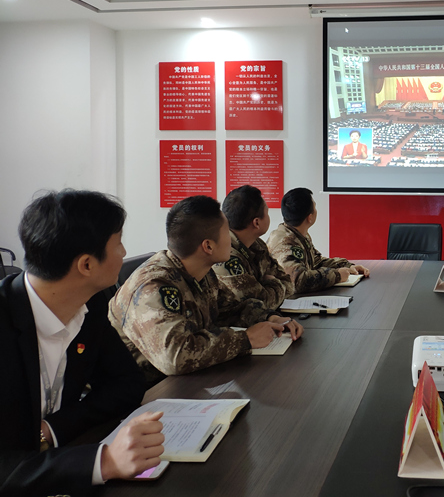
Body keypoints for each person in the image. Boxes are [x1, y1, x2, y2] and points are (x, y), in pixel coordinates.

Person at [0, 190, 164, 495]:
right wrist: (103, 462)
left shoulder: (89, 304)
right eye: (118, 243)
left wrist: (53, 430)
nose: (124, 251)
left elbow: (127, 382)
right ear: (86, 265)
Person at [109, 195, 303, 384]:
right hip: (146, 392)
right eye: (226, 232)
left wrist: (270, 318)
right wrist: (246, 339)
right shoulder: (152, 287)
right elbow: (176, 356)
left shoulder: (202, 273)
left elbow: (230, 309)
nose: (232, 239)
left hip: (186, 381)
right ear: (208, 246)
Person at [267, 188, 370, 293]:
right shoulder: (284, 242)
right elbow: (298, 281)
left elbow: (316, 261)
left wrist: (348, 266)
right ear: (310, 217)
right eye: (315, 207)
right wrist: (337, 275)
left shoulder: (298, 235)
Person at [214, 185, 294, 310]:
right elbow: (260, 305)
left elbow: (288, 283)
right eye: (267, 213)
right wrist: (273, 282)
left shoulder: (257, 245)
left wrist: (268, 288)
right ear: (257, 222)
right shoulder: (226, 257)